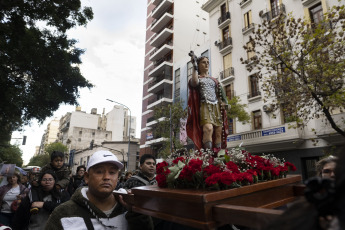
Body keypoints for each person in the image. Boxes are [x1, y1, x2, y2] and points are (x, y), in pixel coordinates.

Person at [45, 150, 128, 229]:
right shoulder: (62, 213)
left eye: (112, 172)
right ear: (87, 177)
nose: (106, 177)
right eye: (99, 172)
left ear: (118, 177)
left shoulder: (129, 209)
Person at [186, 53, 229, 151]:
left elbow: (221, 94)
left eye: (207, 62)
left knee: (218, 131)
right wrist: (194, 67)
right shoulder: (198, 79)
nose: (206, 64)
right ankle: (207, 155)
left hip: (216, 107)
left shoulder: (214, 80)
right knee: (208, 129)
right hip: (204, 106)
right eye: (203, 62)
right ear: (199, 64)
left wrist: (224, 103)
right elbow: (194, 82)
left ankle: (217, 155)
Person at [123, 154, 157, 230]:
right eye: (148, 163)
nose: (152, 166)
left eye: (153, 164)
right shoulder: (131, 181)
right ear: (141, 166)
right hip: (138, 223)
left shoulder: (160, 182)